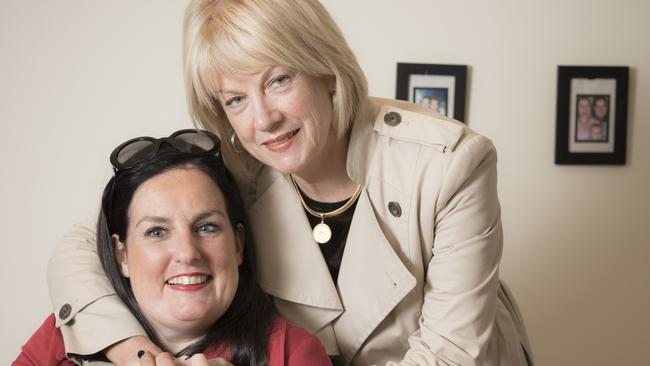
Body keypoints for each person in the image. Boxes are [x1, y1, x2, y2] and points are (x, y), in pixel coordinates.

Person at [47, 0, 533, 365]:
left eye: (279, 80)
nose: (264, 120)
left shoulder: (449, 164)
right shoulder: (239, 165)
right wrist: (129, 347)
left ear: (325, 68)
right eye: (235, 100)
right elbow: (83, 245)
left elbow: (448, 354)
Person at [16, 130, 331, 366]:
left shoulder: (293, 353)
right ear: (121, 255)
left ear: (238, 245)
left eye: (206, 227)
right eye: (156, 231)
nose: (187, 252)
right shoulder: (67, 337)